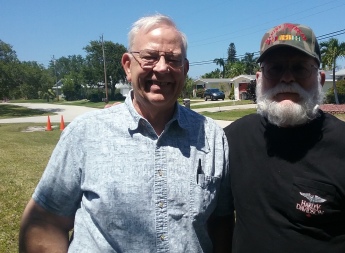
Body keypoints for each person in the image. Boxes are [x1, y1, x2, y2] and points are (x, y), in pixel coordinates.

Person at [19, 14, 231, 253]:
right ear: (128, 66)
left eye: (173, 59)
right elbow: (45, 221)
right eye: (150, 57)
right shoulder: (86, 133)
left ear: (185, 69)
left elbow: (220, 222)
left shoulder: (212, 137)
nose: (162, 68)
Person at [217, 23, 345, 252]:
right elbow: (217, 217)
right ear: (259, 78)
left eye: (300, 68)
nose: (287, 78)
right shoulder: (233, 139)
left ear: (320, 79)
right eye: (276, 68)